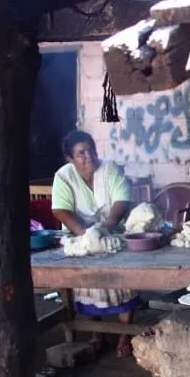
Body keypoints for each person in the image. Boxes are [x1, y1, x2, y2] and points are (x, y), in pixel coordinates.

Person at [51, 130, 137, 357]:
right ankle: (96, 333)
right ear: (69, 159)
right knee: (87, 283)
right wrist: (86, 235)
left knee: (122, 285)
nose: (88, 156)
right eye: (80, 153)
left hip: (113, 234)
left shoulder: (110, 169)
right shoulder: (64, 176)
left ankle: (125, 335)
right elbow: (61, 210)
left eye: (90, 149)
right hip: (81, 240)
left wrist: (105, 228)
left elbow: (122, 199)